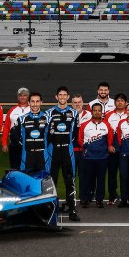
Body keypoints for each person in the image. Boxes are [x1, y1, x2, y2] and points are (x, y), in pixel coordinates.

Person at [46, 86, 79, 220]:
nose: (62, 97)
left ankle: (72, 210)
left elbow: (75, 133)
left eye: (65, 95)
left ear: (68, 97)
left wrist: (67, 143)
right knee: (51, 181)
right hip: (53, 151)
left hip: (67, 150)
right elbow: (47, 132)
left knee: (69, 180)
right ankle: (51, 210)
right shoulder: (49, 113)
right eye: (60, 95)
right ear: (56, 97)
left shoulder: (74, 113)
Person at [78, 103, 113, 207]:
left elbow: (110, 138)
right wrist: (87, 148)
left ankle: (99, 200)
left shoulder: (106, 125)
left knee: (101, 179)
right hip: (88, 157)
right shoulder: (84, 125)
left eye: (99, 110)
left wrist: (108, 147)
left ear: (102, 112)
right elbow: (80, 139)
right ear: (91, 111)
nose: (97, 112)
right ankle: (86, 199)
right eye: (95, 110)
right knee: (88, 179)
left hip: (102, 157)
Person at [11, 93, 50, 173]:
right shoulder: (22, 119)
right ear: (29, 103)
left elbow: (51, 137)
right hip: (27, 156)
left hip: (43, 156)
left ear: (41, 102)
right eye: (32, 101)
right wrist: (24, 145)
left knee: (43, 182)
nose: (35, 104)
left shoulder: (48, 119)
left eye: (37, 101)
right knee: (26, 181)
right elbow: (15, 138)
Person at [105, 93, 129, 204]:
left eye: (122, 100)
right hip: (113, 148)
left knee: (125, 173)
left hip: (126, 148)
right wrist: (109, 145)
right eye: (118, 100)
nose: (120, 102)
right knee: (112, 173)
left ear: (125, 103)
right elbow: (105, 132)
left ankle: (126, 195)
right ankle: (112, 196)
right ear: (114, 103)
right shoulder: (109, 115)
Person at [1, 87, 31, 162]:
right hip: (14, 144)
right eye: (20, 95)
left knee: (28, 167)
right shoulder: (12, 110)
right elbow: (6, 128)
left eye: (25, 95)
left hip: (29, 143)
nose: (22, 97)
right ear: (18, 97)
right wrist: (4, 143)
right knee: (15, 167)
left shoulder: (33, 109)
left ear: (28, 97)